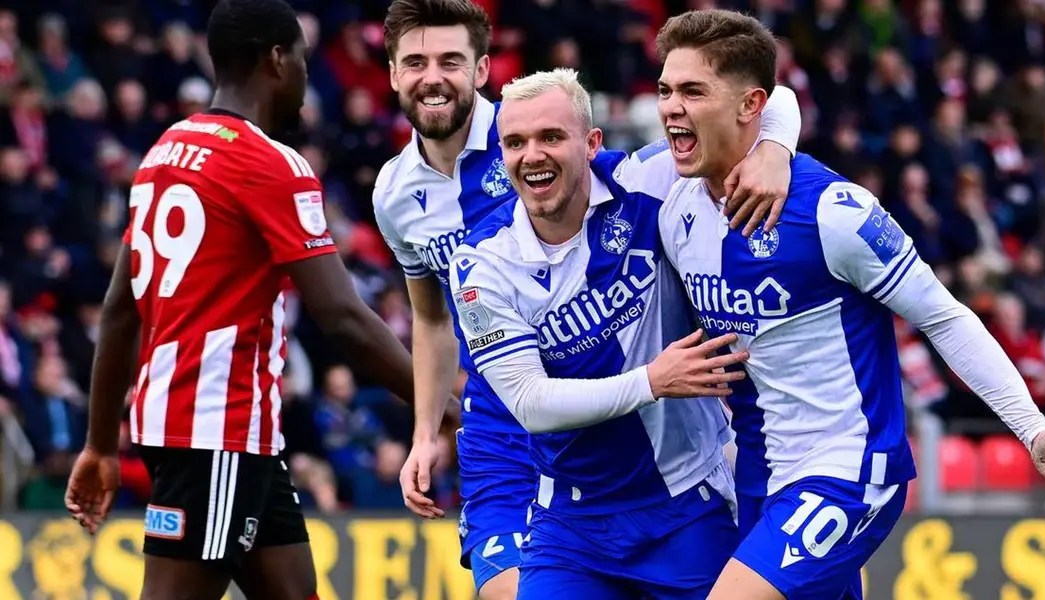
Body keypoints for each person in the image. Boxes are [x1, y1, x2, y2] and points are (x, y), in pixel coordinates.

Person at [650, 10, 1045, 600]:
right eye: (664, 90)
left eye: (691, 91)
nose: (670, 107)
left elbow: (943, 315)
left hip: (848, 469)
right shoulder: (675, 212)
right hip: (757, 473)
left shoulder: (836, 212)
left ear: (749, 104)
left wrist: (1031, 431)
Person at [372, 1, 800, 596]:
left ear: (481, 71)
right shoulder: (395, 195)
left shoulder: (557, 135)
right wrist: (424, 434)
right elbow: (429, 318)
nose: (432, 77)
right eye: (414, 62)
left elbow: (761, 94)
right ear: (392, 73)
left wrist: (774, 151)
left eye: (450, 59)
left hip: (649, 455)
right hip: (506, 432)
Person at [64, 1, 416, 599]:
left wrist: (101, 443)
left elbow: (121, 309)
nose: (309, 77)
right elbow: (343, 317)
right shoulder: (270, 164)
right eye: (303, 57)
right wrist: (439, 402)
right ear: (277, 59)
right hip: (215, 431)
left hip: (212, 431)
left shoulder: (164, 153)